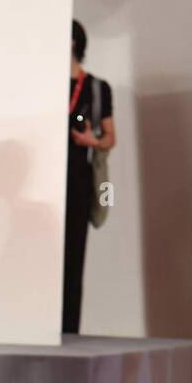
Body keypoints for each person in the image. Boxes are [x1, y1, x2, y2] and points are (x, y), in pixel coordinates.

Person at [64, 19, 115, 334]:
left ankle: (68, 331)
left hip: (80, 178)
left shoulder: (97, 88)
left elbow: (111, 138)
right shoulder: (41, 81)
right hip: (44, 179)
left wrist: (91, 141)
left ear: (72, 42)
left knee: (73, 259)